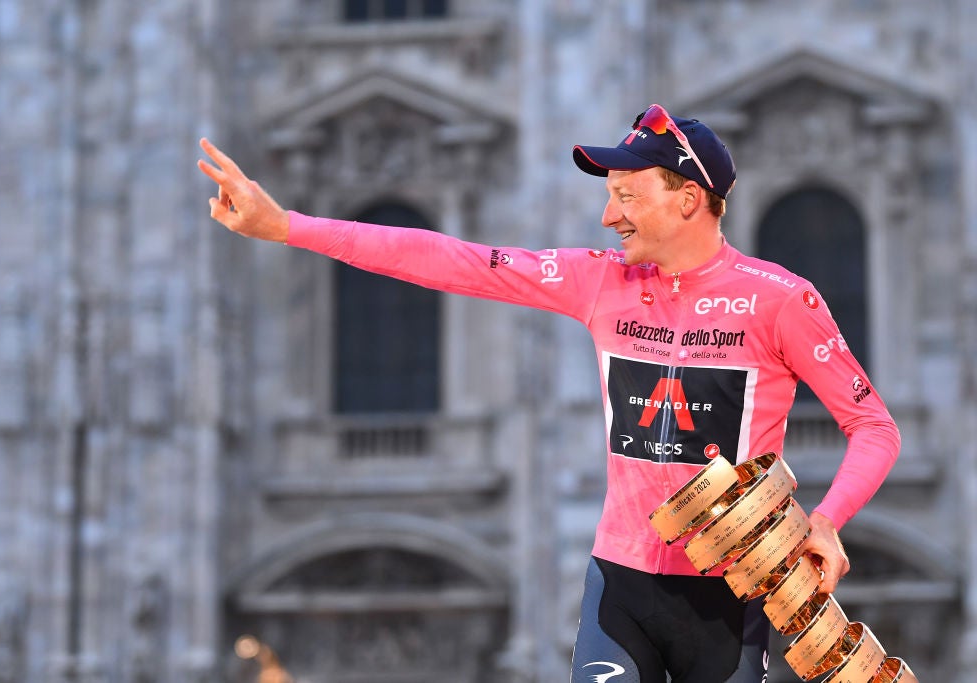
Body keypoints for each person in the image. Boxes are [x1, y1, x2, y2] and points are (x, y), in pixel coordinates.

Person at [197, 103, 900, 682]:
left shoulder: (780, 299)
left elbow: (873, 427)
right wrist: (285, 226)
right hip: (619, 584)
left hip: (728, 602)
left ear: (689, 199)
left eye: (626, 196)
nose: (608, 215)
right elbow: (450, 260)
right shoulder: (598, 281)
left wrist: (827, 521)